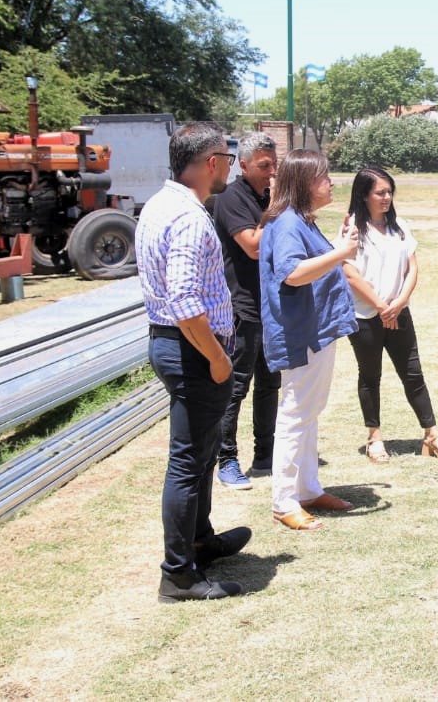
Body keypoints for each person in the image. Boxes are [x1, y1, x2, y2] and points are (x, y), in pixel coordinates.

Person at [136, 122, 249, 603]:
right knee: (187, 463)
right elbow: (185, 301)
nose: (231, 166)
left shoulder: (162, 204)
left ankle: (200, 541)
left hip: (175, 345)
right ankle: (179, 574)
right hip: (192, 350)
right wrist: (219, 358)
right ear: (209, 163)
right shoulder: (187, 217)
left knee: (200, 456)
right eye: (227, 157)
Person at [259, 149, 359, 531]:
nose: (331, 182)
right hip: (300, 333)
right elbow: (293, 274)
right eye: (324, 176)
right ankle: (284, 501)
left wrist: (340, 244)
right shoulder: (286, 224)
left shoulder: (300, 221)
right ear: (304, 183)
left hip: (315, 331)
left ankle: (307, 488)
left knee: (308, 412)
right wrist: (341, 252)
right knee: (296, 413)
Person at [342, 166, 438, 463]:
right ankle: (374, 438)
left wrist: (400, 302)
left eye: (389, 192)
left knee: (413, 374)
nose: (387, 197)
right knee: (370, 376)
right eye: (380, 192)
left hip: (399, 314)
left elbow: (412, 267)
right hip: (365, 316)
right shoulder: (352, 228)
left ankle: (432, 435)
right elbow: (349, 272)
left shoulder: (399, 227)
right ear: (364, 195)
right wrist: (382, 307)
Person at [212, 133, 280, 490]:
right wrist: (276, 207)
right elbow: (253, 246)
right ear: (244, 164)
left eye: (274, 164)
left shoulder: (269, 198)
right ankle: (227, 460)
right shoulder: (230, 198)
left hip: (271, 307)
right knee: (236, 387)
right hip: (242, 307)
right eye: (264, 166)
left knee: (270, 384)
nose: (271, 172)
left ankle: (265, 455)